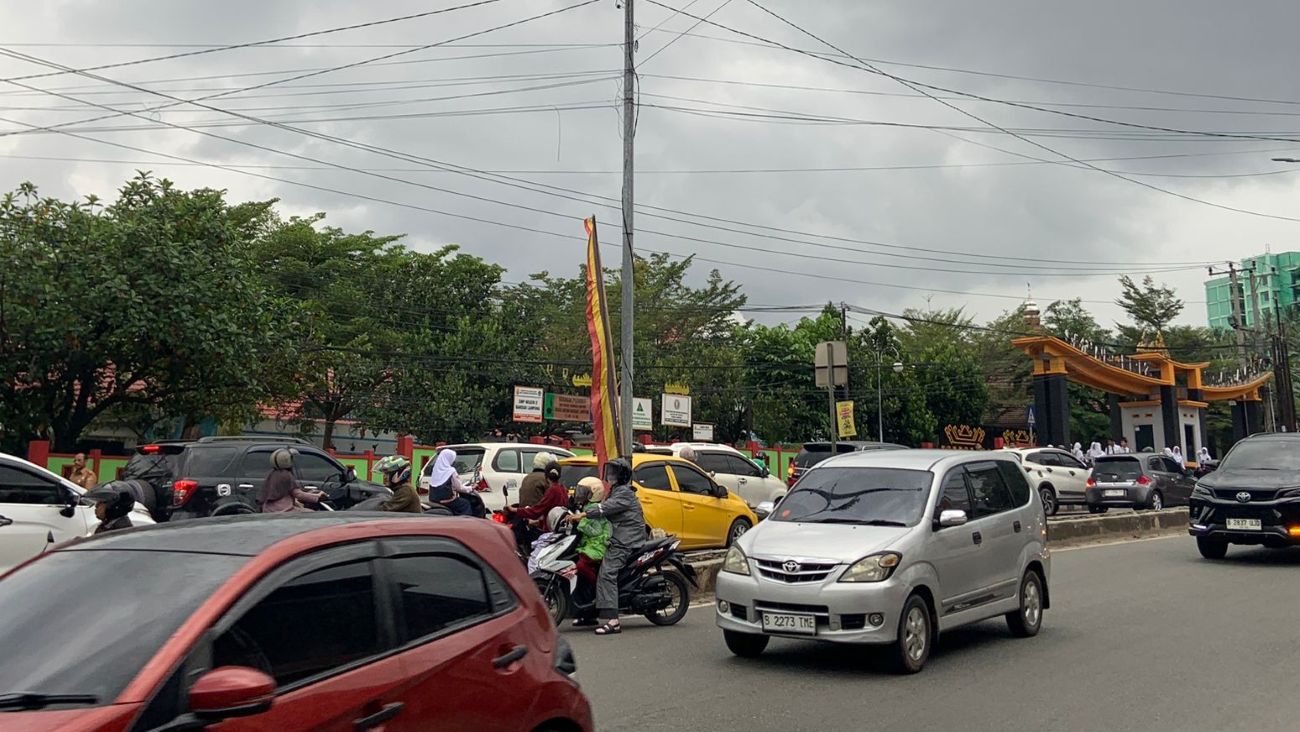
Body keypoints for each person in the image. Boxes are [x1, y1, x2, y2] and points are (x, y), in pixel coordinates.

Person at [567, 457, 644, 636]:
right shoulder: (616, 491)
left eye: (615, 472)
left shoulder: (624, 493)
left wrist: (583, 515)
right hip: (617, 537)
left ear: (622, 475)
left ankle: (613, 621)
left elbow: (604, 509)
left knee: (607, 573)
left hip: (626, 539)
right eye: (610, 471)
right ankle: (589, 612)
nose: (611, 475)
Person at [571, 477, 612, 627]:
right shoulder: (586, 507)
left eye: (584, 492)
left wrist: (580, 523)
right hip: (588, 545)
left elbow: (595, 532)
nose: (581, 494)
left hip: (598, 545)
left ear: (594, 493)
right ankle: (587, 613)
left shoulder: (595, 509)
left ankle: (599, 588)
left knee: (581, 566)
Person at [507, 459, 568, 543]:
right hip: (558, 530)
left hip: (550, 533)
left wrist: (514, 510)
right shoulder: (563, 489)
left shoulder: (552, 490)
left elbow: (536, 510)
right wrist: (539, 522)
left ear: (546, 476)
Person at [258, 448, 323, 513]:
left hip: (267, 509)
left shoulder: (272, 473)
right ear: (287, 460)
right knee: (311, 513)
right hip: (283, 510)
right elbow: (298, 494)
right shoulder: (286, 475)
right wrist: (317, 497)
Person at [425, 449, 473, 516]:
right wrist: (471, 488)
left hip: (433, 500)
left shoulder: (435, 469)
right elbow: (459, 488)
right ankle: (465, 521)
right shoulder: (451, 471)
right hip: (447, 500)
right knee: (465, 504)